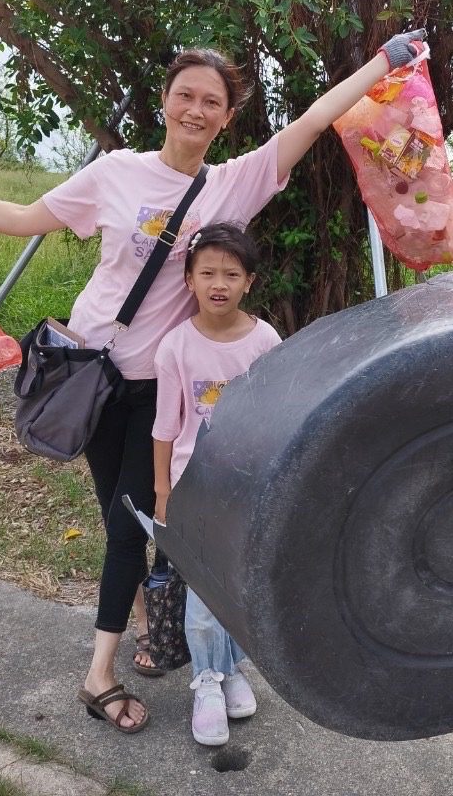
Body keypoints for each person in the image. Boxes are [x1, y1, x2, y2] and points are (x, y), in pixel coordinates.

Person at [0, 29, 426, 735]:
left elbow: (314, 120)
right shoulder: (115, 173)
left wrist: (386, 61)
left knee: (122, 529)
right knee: (121, 513)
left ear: (227, 118)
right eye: (184, 96)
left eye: (212, 102)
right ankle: (152, 626)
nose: (195, 110)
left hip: (152, 388)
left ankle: (97, 674)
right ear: (165, 102)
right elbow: (20, 220)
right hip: (85, 376)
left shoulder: (233, 183)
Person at [150, 223, 278, 746]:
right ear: (189, 280)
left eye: (231, 273)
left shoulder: (267, 340)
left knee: (237, 584)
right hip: (193, 487)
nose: (218, 283)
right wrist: (162, 490)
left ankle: (230, 670)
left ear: (249, 281)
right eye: (207, 273)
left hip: (247, 486)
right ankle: (205, 682)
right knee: (203, 591)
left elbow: (278, 414)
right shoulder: (175, 347)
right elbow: (164, 426)